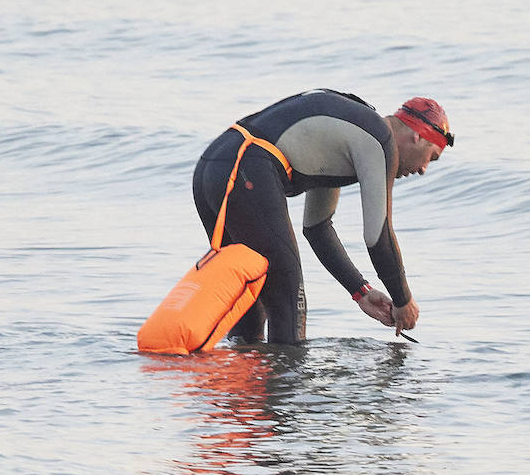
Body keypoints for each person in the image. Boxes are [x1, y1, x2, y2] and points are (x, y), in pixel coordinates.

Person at [192, 89, 453, 345]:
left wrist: (360, 291)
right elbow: (378, 236)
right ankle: (285, 387)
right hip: (247, 168)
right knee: (288, 297)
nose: (423, 169)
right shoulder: (379, 139)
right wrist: (403, 300)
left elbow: (318, 229)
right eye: (431, 157)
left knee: (252, 289)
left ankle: (240, 378)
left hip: (213, 165)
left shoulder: (347, 135)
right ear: (418, 136)